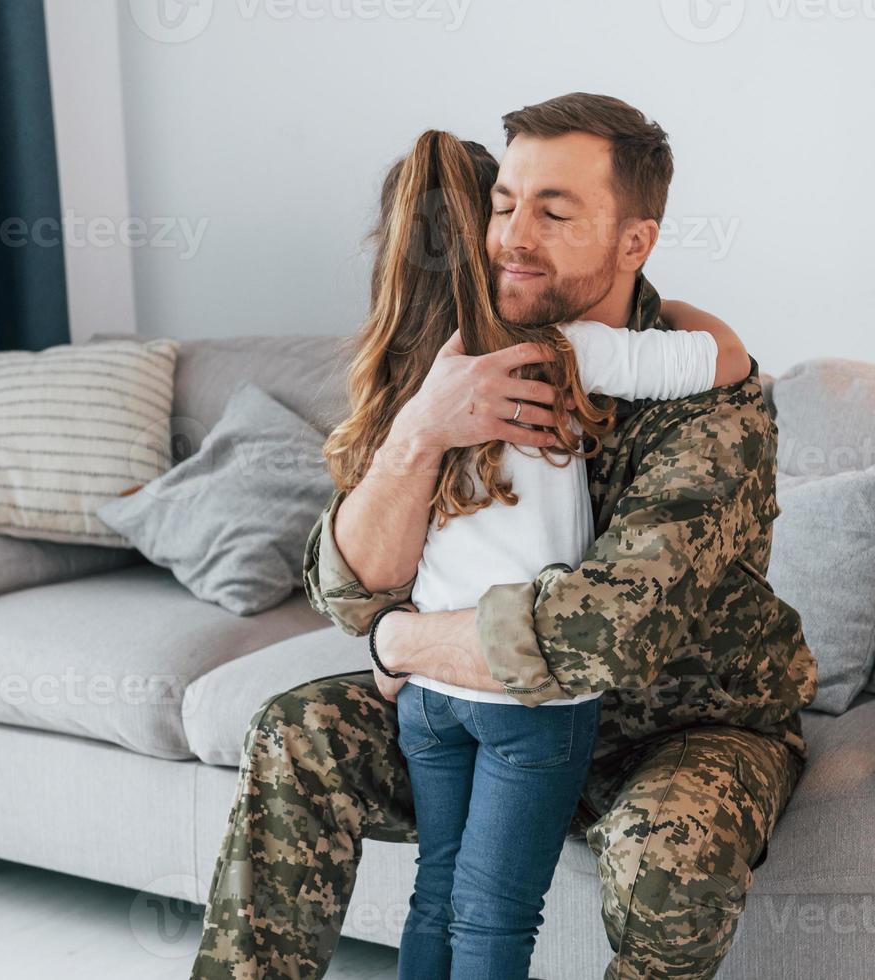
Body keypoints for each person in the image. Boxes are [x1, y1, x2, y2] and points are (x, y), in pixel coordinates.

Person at [190, 92, 817, 980]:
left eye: (555, 212)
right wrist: (420, 434)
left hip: (675, 725)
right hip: (483, 709)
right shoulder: (460, 353)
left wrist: (399, 638)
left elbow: (605, 636)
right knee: (296, 730)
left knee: (666, 854)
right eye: (505, 203)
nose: (513, 236)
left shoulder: (702, 397)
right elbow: (345, 586)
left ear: (634, 242)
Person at [334, 128, 753, 979]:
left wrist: (396, 641)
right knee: (493, 918)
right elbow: (720, 360)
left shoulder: (411, 381)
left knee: (436, 891)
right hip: (530, 703)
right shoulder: (562, 349)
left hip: (425, 696)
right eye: (508, 207)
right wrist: (687, 316)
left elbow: (359, 573)